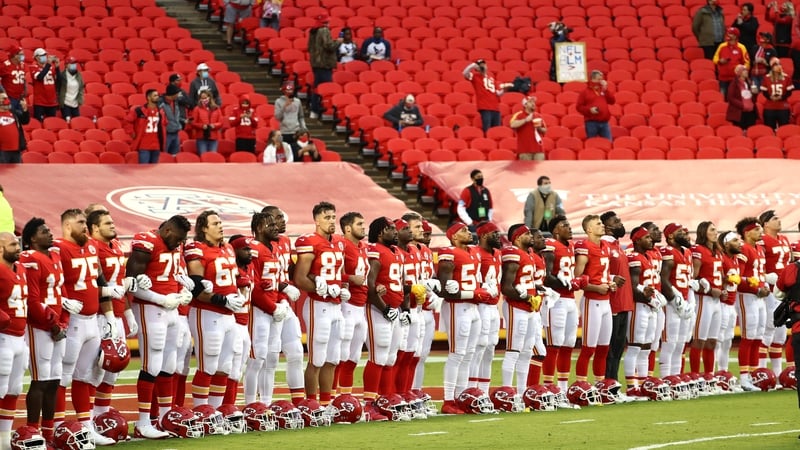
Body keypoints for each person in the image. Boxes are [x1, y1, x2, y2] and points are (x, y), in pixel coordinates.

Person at [53, 209, 121, 446]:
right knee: (63, 376)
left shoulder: (91, 247)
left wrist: (108, 295)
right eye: (80, 222)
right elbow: (49, 283)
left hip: (92, 321)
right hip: (72, 322)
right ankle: (58, 428)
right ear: (67, 226)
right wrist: (62, 300)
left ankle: (85, 426)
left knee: (86, 377)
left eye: (85, 222)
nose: (85, 226)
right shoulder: (58, 248)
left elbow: (96, 281)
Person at [126, 215, 192, 439]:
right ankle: (143, 422)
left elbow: (175, 276)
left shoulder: (175, 247)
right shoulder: (147, 242)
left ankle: (165, 417)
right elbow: (132, 282)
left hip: (172, 310)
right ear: (167, 231)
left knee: (170, 364)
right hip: (150, 309)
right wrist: (161, 299)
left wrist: (183, 292)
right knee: (151, 363)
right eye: (178, 238)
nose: (179, 244)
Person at [86, 210, 143, 417]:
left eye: (112, 221)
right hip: (100, 316)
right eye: (107, 223)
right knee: (96, 370)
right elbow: (97, 287)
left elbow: (119, 285)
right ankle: (89, 417)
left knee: (113, 369)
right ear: (94, 228)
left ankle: (101, 413)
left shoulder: (117, 246)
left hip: (117, 315)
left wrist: (128, 314)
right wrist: (110, 316)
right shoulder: (92, 248)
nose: (113, 225)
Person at [185, 211, 244, 409]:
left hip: (229, 316)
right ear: (203, 228)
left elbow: (233, 280)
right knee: (207, 366)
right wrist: (222, 300)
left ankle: (215, 411)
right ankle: (202, 410)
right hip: (207, 313)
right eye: (215, 223)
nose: (220, 226)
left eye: (220, 222)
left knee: (224, 367)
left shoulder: (228, 248)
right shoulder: (196, 249)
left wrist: (236, 295)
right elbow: (197, 288)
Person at [293, 202, 346, 407]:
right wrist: (319, 287)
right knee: (316, 359)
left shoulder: (339, 242)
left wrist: (342, 288)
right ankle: (311, 405)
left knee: (332, 358)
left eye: (333, 217)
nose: (331, 221)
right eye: (327, 217)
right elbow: (299, 278)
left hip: (336, 305)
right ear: (316, 220)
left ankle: (326, 404)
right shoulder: (309, 241)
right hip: (318, 305)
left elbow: (338, 274)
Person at [19, 218, 66, 444]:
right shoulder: (30, 259)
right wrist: (53, 324)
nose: (49, 234)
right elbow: (32, 299)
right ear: (31, 239)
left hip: (57, 325)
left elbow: (62, 291)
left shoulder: (55, 256)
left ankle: (49, 432)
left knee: (55, 379)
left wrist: (63, 320)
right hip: (39, 327)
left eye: (49, 230)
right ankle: (32, 431)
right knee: (40, 380)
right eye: (43, 231)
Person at [438, 222, 487, 414]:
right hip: (457, 307)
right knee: (457, 354)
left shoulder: (474, 252)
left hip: (473, 308)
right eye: (463, 230)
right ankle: (448, 400)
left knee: (469, 355)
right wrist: (471, 293)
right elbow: (445, 289)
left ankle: (461, 397)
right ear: (453, 236)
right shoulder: (448, 253)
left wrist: (479, 291)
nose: (469, 232)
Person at [361, 217, 404, 421]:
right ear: (380, 233)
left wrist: (400, 309)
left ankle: (386, 400)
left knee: (390, 357)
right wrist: (385, 308)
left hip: (393, 309)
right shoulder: (376, 251)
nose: (395, 233)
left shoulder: (395, 252)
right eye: (391, 229)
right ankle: (369, 404)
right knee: (378, 356)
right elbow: (370, 285)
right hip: (379, 310)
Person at [262, 205, 305, 406]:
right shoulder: (258, 245)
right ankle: (263, 405)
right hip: (267, 305)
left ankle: (298, 403)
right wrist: (283, 288)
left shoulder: (286, 241)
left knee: (296, 353)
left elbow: (288, 269)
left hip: (285, 304)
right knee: (268, 359)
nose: (283, 221)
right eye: (279, 217)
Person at [244, 212, 288, 406]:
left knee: (272, 360)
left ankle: (267, 405)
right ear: (260, 227)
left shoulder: (273, 248)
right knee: (257, 358)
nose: (275, 227)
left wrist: (282, 300)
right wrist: (272, 307)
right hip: (259, 310)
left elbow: (276, 282)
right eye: (270, 225)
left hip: (273, 308)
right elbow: (252, 286)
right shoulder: (254, 249)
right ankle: (251, 405)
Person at [499, 224, 544, 395]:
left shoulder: (529, 255)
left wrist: (539, 292)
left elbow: (528, 283)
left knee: (526, 352)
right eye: (526, 234)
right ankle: (507, 392)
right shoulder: (513, 253)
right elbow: (507, 287)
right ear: (517, 238)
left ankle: (521, 391)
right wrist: (527, 297)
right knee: (513, 350)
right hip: (516, 307)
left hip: (530, 309)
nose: (531, 236)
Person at [573, 215, 613, 384]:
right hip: (592, 301)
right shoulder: (584, 246)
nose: (602, 225)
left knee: (604, 348)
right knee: (588, 348)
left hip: (606, 302)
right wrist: (597, 288)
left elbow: (603, 273)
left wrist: (611, 283)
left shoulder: (605, 246)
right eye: (598, 224)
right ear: (589, 229)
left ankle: (600, 386)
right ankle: (581, 385)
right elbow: (577, 278)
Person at [541, 215, 579, 393]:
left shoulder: (570, 246)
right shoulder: (550, 245)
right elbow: (546, 277)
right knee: (554, 343)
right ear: (556, 230)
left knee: (569, 342)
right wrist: (562, 282)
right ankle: (549, 387)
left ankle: (563, 389)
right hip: (555, 300)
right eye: (565, 225)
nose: (570, 228)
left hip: (570, 299)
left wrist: (575, 282)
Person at [623, 227, 660, 397]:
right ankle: (632, 387)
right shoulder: (634, 257)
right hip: (639, 306)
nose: (651, 239)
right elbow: (632, 285)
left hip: (649, 306)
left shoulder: (648, 256)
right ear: (637, 240)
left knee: (646, 347)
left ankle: (644, 384)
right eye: (646, 237)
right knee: (635, 346)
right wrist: (649, 299)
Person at [0, 232, 28, 450]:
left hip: (20, 337)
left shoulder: (20, 270)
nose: (17, 248)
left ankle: (3, 439)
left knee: (14, 389)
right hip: (3, 337)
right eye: (12, 245)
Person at [336, 212, 369, 396]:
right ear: (348, 228)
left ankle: (345, 398)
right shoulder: (342, 246)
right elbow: (330, 272)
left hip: (361, 307)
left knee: (353, 357)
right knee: (340, 356)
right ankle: (331, 400)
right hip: (346, 305)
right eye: (359, 224)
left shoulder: (363, 247)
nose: (363, 227)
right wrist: (349, 279)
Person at [735, 217, 770, 391]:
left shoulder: (760, 249)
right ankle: (743, 378)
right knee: (748, 337)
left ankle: (754, 374)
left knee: (758, 336)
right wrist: (756, 289)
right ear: (747, 232)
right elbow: (737, 278)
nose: (760, 232)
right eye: (756, 230)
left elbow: (759, 274)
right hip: (747, 296)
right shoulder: (744, 249)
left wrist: (765, 286)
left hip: (759, 297)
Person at [599, 211, 632, 386]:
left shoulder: (618, 246)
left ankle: (614, 384)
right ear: (607, 226)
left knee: (619, 348)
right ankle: (607, 384)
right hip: (612, 302)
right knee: (610, 348)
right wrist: (611, 278)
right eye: (616, 221)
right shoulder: (603, 244)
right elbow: (598, 269)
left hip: (624, 302)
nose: (620, 224)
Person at [689, 221, 725, 378]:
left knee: (712, 341)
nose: (715, 232)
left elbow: (720, 276)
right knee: (699, 340)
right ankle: (696, 377)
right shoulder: (698, 250)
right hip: (703, 300)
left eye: (716, 229)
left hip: (716, 301)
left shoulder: (717, 251)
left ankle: (709, 376)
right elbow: (692, 278)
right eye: (712, 229)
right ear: (704, 232)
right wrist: (710, 290)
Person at [658, 223, 694, 378]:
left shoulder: (687, 252)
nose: (685, 234)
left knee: (681, 344)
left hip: (685, 300)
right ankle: (667, 378)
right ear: (670, 236)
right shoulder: (668, 252)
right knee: (670, 343)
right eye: (681, 232)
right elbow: (663, 279)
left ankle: (676, 377)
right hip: (672, 304)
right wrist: (675, 299)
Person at [758, 210, 791, 378]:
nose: (779, 221)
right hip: (770, 290)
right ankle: (762, 373)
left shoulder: (784, 239)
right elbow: (758, 264)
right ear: (765, 224)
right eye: (775, 219)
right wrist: (764, 279)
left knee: (780, 333)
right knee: (768, 329)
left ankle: (777, 375)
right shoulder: (762, 241)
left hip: (784, 290)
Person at [469, 222, 501, 394]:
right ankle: (471, 391)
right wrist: (481, 287)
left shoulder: (498, 254)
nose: (498, 236)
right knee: (479, 347)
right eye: (494, 233)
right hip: (480, 305)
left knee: (490, 349)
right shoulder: (475, 253)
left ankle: (483, 392)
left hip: (493, 306)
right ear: (483, 235)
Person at [224, 234, 253, 406]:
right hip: (232, 322)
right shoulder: (231, 271)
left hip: (244, 323)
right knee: (229, 368)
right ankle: (224, 407)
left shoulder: (248, 270)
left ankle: (230, 407)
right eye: (245, 249)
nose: (249, 253)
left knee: (238, 370)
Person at [717, 231, 742, 379]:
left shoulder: (736, 259)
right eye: (734, 240)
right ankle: (713, 375)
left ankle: (723, 372)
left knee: (727, 341)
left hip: (731, 303)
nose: (739, 243)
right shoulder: (721, 258)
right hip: (721, 303)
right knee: (718, 340)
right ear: (726, 244)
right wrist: (726, 278)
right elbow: (713, 275)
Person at [308, 14, 342, 120]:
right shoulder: (324, 30)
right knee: (326, 89)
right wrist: (338, 42)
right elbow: (328, 45)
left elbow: (309, 47)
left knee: (317, 87)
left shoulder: (313, 31)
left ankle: (314, 110)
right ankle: (322, 110)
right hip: (324, 63)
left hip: (316, 63)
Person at [462, 59, 512, 132]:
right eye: (480, 65)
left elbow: (497, 93)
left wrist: (505, 90)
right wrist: (472, 66)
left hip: (495, 107)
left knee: (497, 130)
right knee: (487, 130)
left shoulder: (491, 78)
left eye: (483, 65)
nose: (482, 66)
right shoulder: (475, 76)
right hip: (484, 106)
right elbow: (464, 73)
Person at [125, 89, 165, 164]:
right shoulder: (139, 110)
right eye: (155, 95)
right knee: (144, 171)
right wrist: (131, 132)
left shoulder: (160, 111)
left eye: (158, 95)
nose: (158, 97)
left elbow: (164, 124)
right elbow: (127, 120)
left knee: (153, 171)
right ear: (149, 98)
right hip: (144, 146)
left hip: (156, 145)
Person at [576, 70, 615, 141]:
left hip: (604, 122)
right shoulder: (584, 92)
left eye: (601, 79)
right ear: (592, 79)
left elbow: (612, 101)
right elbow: (579, 107)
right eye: (599, 79)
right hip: (591, 123)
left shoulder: (603, 90)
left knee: (609, 143)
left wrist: (606, 90)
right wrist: (589, 110)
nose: (601, 81)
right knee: (591, 143)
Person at [714, 27, 751, 97]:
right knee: (723, 98)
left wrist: (741, 70)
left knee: (735, 98)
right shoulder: (721, 46)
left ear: (735, 36)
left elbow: (747, 62)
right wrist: (719, 61)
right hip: (723, 78)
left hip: (736, 79)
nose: (728, 35)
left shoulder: (741, 47)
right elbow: (715, 59)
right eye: (728, 33)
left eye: (730, 34)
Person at [509, 96, 547, 160]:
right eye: (530, 102)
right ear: (525, 105)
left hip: (538, 150)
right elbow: (512, 124)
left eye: (534, 102)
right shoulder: (519, 115)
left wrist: (539, 128)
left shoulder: (538, 115)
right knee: (525, 169)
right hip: (524, 150)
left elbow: (545, 130)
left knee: (540, 169)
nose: (533, 104)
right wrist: (525, 120)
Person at [760, 58, 794, 129]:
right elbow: (765, 92)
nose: (779, 66)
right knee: (769, 129)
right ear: (772, 67)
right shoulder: (767, 78)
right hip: (769, 107)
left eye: (779, 64)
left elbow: (789, 92)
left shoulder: (786, 77)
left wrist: (781, 97)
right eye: (776, 65)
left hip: (783, 107)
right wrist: (770, 97)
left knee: (784, 129)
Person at [29, 48, 59, 122]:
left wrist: (57, 67)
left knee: (52, 123)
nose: (45, 56)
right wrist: (48, 64)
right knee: (39, 123)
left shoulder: (51, 67)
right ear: (36, 57)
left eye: (45, 55)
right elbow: (39, 77)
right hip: (40, 102)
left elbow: (59, 80)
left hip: (51, 101)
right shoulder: (33, 67)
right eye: (42, 55)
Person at [274, 81, 305, 149]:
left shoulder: (297, 101)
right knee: (286, 151)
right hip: (284, 132)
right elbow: (277, 117)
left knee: (296, 151)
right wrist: (284, 106)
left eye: (291, 89)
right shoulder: (278, 101)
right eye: (288, 90)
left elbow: (301, 116)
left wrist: (304, 128)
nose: (290, 91)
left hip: (296, 131)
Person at [0, 92, 29, 164]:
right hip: (2, 151)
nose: (7, 100)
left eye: (7, 98)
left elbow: (25, 121)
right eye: (4, 98)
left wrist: (25, 109)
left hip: (16, 150)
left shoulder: (13, 113)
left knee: (17, 174)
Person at [191, 90, 223, 155]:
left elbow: (221, 122)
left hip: (213, 137)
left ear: (209, 97)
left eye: (205, 98)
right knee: (203, 156)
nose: (203, 100)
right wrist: (202, 126)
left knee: (212, 157)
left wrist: (214, 125)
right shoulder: (197, 109)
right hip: (201, 137)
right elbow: (193, 123)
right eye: (202, 98)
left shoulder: (216, 108)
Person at [160, 84, 185, 156]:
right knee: (164, 155)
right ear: (173, 94)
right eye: (177, 93)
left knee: (175, 155)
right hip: (166, 134)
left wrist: (183, 120)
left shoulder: (175, 102)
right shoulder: (161, 104)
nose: (179, 95)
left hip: (176, 132)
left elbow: (176, 117)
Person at [57, 56, 84, 121]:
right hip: (65, 102)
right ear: (66, 65)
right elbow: (57, 88)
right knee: (67, 120)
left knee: (77, 121)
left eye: (74, 64)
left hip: (75, 103)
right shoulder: (62, 75)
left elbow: (81, 87)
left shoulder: (78, 75)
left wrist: (80, 99)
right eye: (71, 64)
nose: (74, 65)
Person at [0, 45, 27, 110]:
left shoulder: (23, 65)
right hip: (10, 97)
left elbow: (24, 79)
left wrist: (25, 89)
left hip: (20, 97)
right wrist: (3, 91)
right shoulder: (5, 65)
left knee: (21, 117)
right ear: (15, 55)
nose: (23, 56)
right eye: (21, 54)